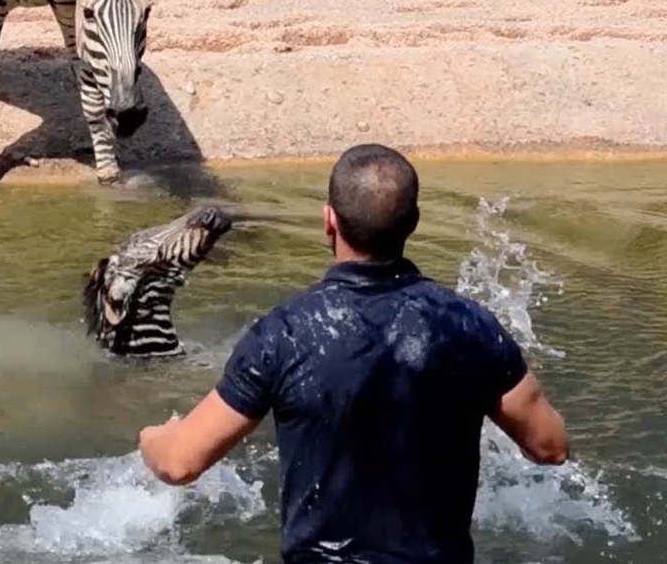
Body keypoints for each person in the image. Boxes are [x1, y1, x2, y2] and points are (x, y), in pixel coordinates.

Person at [137, 143, 569, 564]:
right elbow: (550, 446)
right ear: (413, 223)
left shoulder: (285, 332)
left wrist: (152, 437)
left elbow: (179, 464)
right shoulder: (468, 325)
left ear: (329, 220)